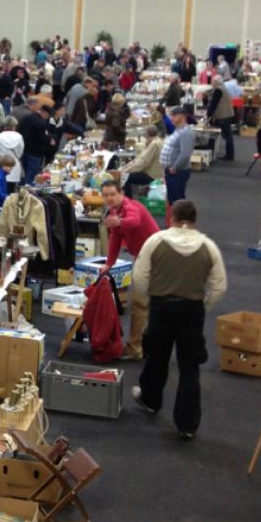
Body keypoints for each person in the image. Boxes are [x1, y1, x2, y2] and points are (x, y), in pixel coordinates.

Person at [130, 198, 227, 438]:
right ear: (194, 221)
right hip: (192, 310)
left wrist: (151, 298)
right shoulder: (208, 246)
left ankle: (151, 400)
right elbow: (219, 286)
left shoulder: (155, 241)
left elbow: (139, 277)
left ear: (171, 218)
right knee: (190, 367)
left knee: (156, 357)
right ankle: (187, 425)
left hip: (162, 307)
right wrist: (203, 305)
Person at [100, 176, 159, 360]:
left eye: (112, 194)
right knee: (146, 304)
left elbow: (133, 221)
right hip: (144, 257)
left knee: (140, 303)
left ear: (122, 193)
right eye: (105, 195)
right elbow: (115, 240)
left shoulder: (130, 207)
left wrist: (118, 222)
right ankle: (144, 345)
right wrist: (109, 263)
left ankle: (135, 348)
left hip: (153, 258)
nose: (109, 198)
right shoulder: (114, 211)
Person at [160, 106, 195, 208]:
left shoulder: (186, 132)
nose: (171, 118)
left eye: (174, 115)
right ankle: (177, 221)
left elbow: (185, 153)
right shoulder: (178, 130)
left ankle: (181, 222)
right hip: (172, 171)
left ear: (182, 117)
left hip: (177, 172)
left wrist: (175, 167)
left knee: (177, 200)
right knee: (173, 199)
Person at [123, 123, 165, 196]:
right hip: (151, 172)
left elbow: (143, 163)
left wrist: (125, 171)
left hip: (152, 175)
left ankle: (128, 201)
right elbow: (139, 159)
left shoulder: (154, 144)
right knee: (125, 175)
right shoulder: (155, 142)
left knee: (124, 178)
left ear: (147, 134)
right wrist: (126, 167)